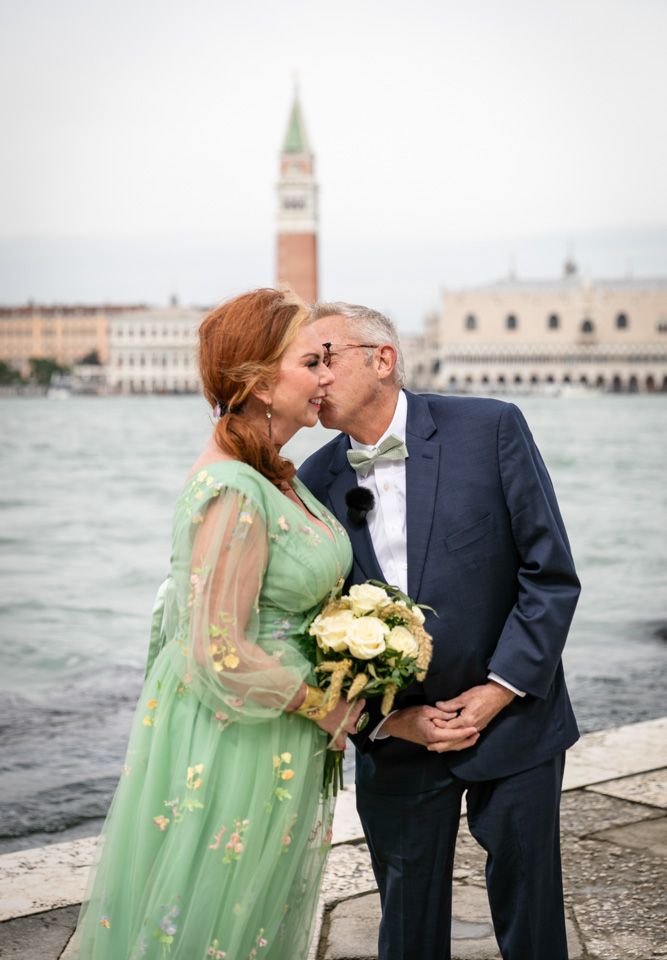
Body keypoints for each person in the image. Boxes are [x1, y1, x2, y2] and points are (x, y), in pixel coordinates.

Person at [71, 289, 365, 960]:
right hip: (238, 733)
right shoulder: (232, 487)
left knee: (254, 918)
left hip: (275, 724)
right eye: (312, 362)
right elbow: (217, 649)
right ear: (261, 382)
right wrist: (324, 706)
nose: (327, 377)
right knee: (216, 926)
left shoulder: (277, 477)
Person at [298, 302, 580, 960]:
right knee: (405, 923)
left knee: (531, 913)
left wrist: (497, 690)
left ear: (382, 359)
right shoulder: (310, 483)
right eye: (305, 364)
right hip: (397, 738)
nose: (314, 378)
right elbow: (317, 631)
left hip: (514, 718)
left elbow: (549, 576)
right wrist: (386, 718)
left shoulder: (491, 427)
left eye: (325, 358)